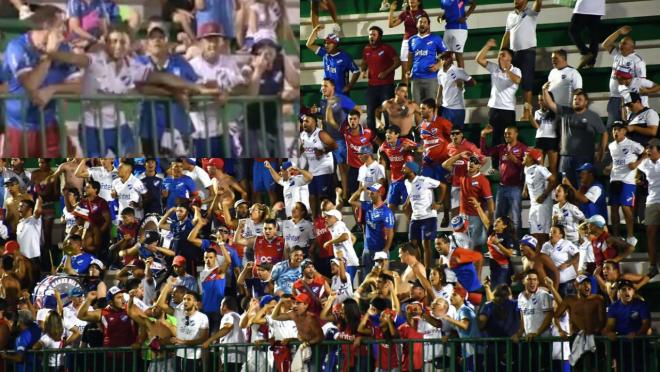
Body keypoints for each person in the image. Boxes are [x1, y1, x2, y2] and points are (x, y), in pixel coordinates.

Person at [1, 5, 80, 157]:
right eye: (61, 26)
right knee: (16, 177)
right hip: (20, 129)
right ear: (46, 27)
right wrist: (49, 56)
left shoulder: (63, 48)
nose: (64, 33)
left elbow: (80, 87)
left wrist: (54, 89)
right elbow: (31, 85)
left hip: (48, 125)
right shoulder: (17, 46)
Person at [542, 85, 607, 189]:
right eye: (575, 99)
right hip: (565, 158)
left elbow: (604, 133)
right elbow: (550, 104)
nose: (577, 101)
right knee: (565, 187)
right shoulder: (565, 111)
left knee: (583, 187)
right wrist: (544, 90)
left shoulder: (593, 116)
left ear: (586, 102)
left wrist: (601, 151)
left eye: (580, 99)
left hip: (584, 157)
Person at [481, 124, 527, 236]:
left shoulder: (522, 148)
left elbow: (527, 168)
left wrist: (515, 160)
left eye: (509, 133)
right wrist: (483, 136)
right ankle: (498, 243)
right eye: (505, 133)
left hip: (516, 187)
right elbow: (485, 152)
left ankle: (517, 244)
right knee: (498, 217)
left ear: (516, 134)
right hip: (502, 187)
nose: (506, 135)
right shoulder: (502, 148)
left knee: (516, 218)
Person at [553, 275, 606, 369]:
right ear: (576, 285)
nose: (587, 286)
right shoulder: (569, 300)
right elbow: (556, 317)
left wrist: (593, 332)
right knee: (577, 368)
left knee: (596, 367)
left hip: (594, 338)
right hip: (576, 339)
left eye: (589, 283)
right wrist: (560, 331)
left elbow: (602, 320)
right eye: (584, 284)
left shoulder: (598, 299)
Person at [475, 39, 521, 146]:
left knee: (509, 139)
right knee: (495, 139)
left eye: (503, 55)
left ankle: (509, 162)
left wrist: (507, 70)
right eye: (499, 55)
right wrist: (487, 45)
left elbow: (517, 80)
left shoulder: (516, 70)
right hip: (494, 109)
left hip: (508, 110)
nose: (500, 57)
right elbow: (479, 59)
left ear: (510, 58)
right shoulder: (494, 68)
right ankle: (496, 163)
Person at [501, 0, 543, 119]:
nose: (515, 1)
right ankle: (506, 111)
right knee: (507, 83)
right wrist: (501, 52)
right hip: (512, 53)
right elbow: (507, 35)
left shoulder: (531, 12)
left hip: (527, 52)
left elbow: (538, 3)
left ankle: (526, 113)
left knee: (527, 84)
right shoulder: (510, 15)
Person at [442, 152, 494, 248]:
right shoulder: (462, 175)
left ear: (479, 166)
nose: (471, 163)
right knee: (462, 246)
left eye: (475, 162)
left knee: (475, 246)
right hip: (462, 217)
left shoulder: (483, 181)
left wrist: (490, 221)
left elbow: (490, 202)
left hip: (476, 218)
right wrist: (459, 155)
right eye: (470, 161)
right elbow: (445, 165)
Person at [607, 121, 645, 245]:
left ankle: (630, 235)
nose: (616, 132)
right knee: (613, 208)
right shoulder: (611, 145)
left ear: (624, 131)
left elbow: (646, 153)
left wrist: (636, 164)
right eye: (614, 130)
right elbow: (617, 160)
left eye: (618, 129)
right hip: (614, 178)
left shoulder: (632, 144)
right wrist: (609, 167)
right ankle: (617, 236)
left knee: (625, 207)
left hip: (628, 180)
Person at [402, 161, 445, 268]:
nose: (402, 170)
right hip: (415, 218)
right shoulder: (406, 182)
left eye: (404, 168)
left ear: (411, 170)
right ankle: (418, 268)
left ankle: (427, 270)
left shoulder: (424, 180)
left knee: (425, 244)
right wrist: (407, 202)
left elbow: (443, 186)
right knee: (413, 245)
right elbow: (411, 193)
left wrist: (439, 203)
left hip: (428, 216)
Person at [602, 25, 646, 127]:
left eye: (624, 43)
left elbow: (641, 83)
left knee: (630, 129)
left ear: (632, 47)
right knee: (612, 129)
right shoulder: (617, 55)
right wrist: (618, 32)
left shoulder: (638, 61)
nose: (620, 45)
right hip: (614, 98)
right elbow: (605, 44)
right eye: (620, 43)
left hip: (629, 99)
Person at [603, 279, 651, 371]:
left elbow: (646, 324)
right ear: (619, 292)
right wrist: (608, 332)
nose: (627, 291)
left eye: (629, 289)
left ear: (633, 291)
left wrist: (637, 334)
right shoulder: (614, 307)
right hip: (622, 346)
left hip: (639, 345)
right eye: (624, 289)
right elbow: (610, 325)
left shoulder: (642, 305)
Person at [513, 270, 554, 371]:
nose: (532, 282)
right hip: (528, 340)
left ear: (538, 282)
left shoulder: (544, 295)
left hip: (542, 340)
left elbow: (549, 316)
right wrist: (519, 333)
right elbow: (523, 316)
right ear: (524, 281)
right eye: (529, 279)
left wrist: (537, 333)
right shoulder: (520, 296)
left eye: (535, 280)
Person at [361, 25, 399, 133]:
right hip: (372, 87)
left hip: (386, 86)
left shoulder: (387, 48)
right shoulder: (366, 49)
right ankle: (372, 138)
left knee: (388, 113)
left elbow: (397, 62)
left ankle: (389, 137)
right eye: (370, 34)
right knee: (370, 114)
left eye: (374, 34)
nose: (371, 37)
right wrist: (363, 70)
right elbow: (364, 62)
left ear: (380, 36)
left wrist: (386, 72)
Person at [271, 294, 325, 371]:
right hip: (303, 346)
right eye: (295, 303)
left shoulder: (311, 318)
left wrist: (308, 343)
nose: (295, 305)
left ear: (306, 305)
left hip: (315, 348)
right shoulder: (293, 314)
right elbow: (274, 316)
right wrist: (280, 302)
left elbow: (320, 337)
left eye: (298, 303)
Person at [300, 113, 338, 216]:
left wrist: (323, 151)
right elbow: (302, 149)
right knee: (312, 196)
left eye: (307, 121)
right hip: (312, 171)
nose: (304, 123)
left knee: (323, 197)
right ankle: (315, 219)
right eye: (303, 121)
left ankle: (326, 219)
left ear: (314, 122)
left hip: (324, 169)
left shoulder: (320, 134)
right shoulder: (302, 135)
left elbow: (334, 145)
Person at [406, 14, 447, 103]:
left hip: (431, 78)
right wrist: (408, 70)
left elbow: (446, 55)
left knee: (431, 106)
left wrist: (438, 65)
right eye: (420, 22)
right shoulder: (411, 40)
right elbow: (410, 57)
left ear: (428, 25)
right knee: (416, 107)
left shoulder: (436, 38)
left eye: (425, 22)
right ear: (417, 24)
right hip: (415, 78)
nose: (422, 24)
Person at [306, 26, 359, 95]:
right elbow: (309, 44)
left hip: (340, 94)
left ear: (336, 44)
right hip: (326, 93)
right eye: (325, 43)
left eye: (329, 43)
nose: (326, 45)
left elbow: (356, 71)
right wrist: (315, 31)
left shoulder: (345, 57)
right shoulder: (324, 53)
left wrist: (349, 86)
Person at [478, 284, 520, 372]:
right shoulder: (516, 304)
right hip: (512, 346)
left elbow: (481, 322)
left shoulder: (488, 305)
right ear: (509, 294)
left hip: (492, 347)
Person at [356, 183, 394, 274]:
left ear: (380, 193)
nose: (369, 195)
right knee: (367, 278)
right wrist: (359, 190)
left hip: (380, 249)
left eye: (372, 193)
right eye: (369, 193)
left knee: (381, 277)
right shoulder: (368, 205)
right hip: (367, 249)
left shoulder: (386, 212)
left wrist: (386, 249)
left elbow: (390, 232)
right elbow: (351, 201)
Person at [387, 0, 428, 83]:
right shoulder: (405, 13)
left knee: (419, 69)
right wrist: (391, 10)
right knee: (405, 71)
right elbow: (391, 24)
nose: (411, 0)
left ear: (419, 2)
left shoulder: (423, 13)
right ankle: (404, 94)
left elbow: (427, 30)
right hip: (406, 42)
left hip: (419, 41)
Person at [435, 235, 483, 305]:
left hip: (474, 289)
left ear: (448, 244)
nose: (436, 246)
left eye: (439, 244)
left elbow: (479, 256)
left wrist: (478, 275)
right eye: (435, 244)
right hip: (460, 293)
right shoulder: (442, 258)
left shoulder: (458, 251)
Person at [378, 125, 417, 210]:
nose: (387, 135)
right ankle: (391, 223)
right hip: (394, 180)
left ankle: (410, 223)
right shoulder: (384, 145)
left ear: (397, 135)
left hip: (406, 180)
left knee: (407, 207)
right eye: (386, 133)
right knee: (389, 207)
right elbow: (380, 152)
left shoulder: (405, 142)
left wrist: (411, 147)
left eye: (390, 133)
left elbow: (420, 148)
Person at [523, 148, 556, 246]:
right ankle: (538, 255)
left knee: (543, 235)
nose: (523, 156)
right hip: (533, 204)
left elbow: (553, 180)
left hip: (543, 205)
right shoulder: (526, 169)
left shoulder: (540, 168)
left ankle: (546, 255)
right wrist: (525, 189)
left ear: (531, 159)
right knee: (534, 233)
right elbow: (527, 177)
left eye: (526, 155)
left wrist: (544, 195)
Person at [637, 139, 660, 277]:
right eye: (648, 148)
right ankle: (653, 266)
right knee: (650, 234)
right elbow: (633, 166)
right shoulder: (645, 163)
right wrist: (644, 156)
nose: (649, 150)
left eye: (652, 148)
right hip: (651, 201)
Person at [202, 296, 245, 371]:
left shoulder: (228, 315)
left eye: (220, 305)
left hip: (231, 357)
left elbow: (227, 327)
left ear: (224, 306)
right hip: (240, 356)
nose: (220, 308)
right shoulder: (239, 317)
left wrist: (209, 340)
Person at [436, 51, 475, 130]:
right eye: (442, 59)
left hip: (458, 109)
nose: (443, 60)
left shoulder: (458, 71)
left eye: (446, 58)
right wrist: (437, 101)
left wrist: (463, 84)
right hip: (445, 108)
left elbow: (473, 83)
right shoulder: (440, 73)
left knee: (457, 134)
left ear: (451, 58)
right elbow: (440, 87)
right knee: (445, 135)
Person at [342, 110, 376, 197]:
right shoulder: (345, 131)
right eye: (350, 119)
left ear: (359, 119)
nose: (352, 121)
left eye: (354, 119)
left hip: (367, 169)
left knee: (368, 195)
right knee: (354, 195)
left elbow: (379, 143)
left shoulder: (368, 132)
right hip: (353, 169)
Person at [541, 225, 579, 297]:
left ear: (561, 235)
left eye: (554, 232)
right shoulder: (545, 245)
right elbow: (542, 260)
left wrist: (567, 264)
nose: (551, 234)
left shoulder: (566, 243)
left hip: (568, 282)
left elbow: (578, 255)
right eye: (550, 232)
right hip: (554, 283)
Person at [323, 209, 359, 281]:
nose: (326, 218)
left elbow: (345, 236)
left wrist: (330, 242)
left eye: (329, 217)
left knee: (345, 285)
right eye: (326, 216)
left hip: (349, 263)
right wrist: (348, 248)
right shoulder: (335, 227)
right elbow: (353, 238)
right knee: (344, 285)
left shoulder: (339, 225)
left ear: (336, 218)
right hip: (345, 262)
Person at [438, 0, 476, 69]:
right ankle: (449, 77)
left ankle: (461, 78)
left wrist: (466, 17)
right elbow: (448, 13)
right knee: (446, 56)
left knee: (458, 56)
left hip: (460, 29)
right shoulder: (443, 1)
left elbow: (474, 3)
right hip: (448, 29)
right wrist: (441, 17)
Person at [570, 0, 605, 69]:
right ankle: (591, 63)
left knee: (573, 30)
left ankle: (586, 53)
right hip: (598, 7)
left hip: (585, 5)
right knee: (593, 35)